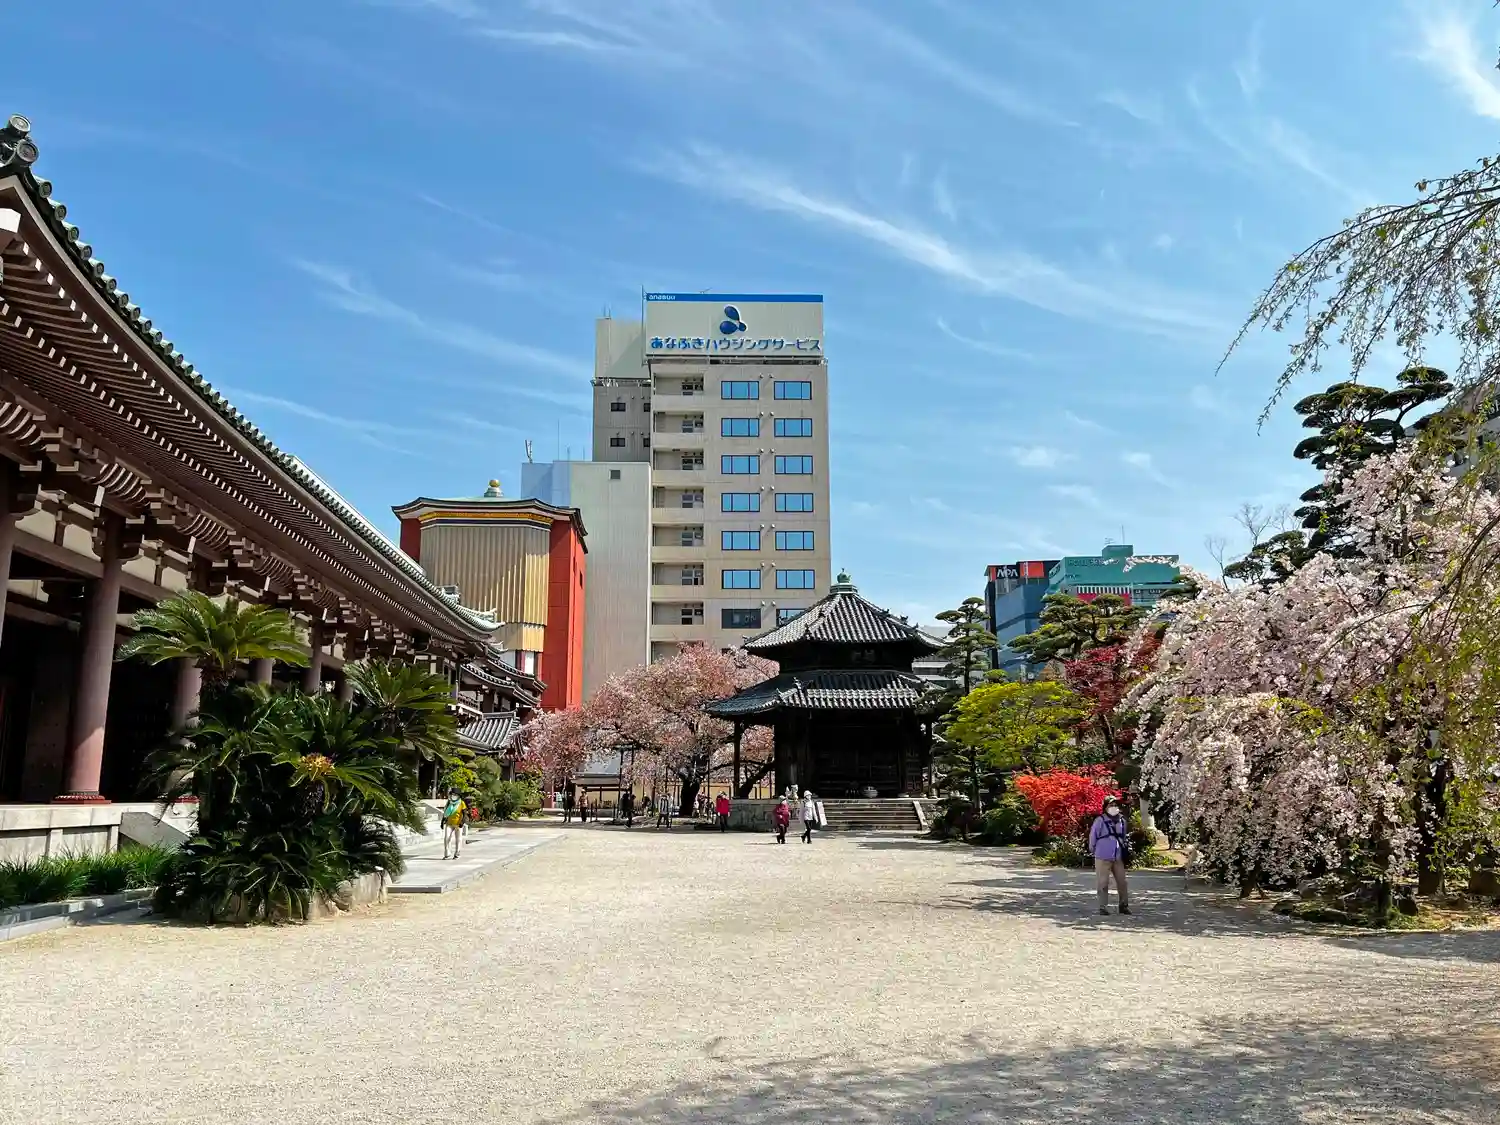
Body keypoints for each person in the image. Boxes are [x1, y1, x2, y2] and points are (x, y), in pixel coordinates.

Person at [1088, 797, 1132, 915]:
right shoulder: (1100, 820)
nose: (1113, 807)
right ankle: (1102, 907)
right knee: (1103, 882)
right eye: (1110, 805)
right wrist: (1093, 851)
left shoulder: (1122, 820)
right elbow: (1093, 837)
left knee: (1122, 882)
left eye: (1115, 805)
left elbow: (1123, 836)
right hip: (1102, 854)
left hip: (1117, 855)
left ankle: (1123, 905)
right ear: (1105, 807)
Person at [441, 789, 466, 861]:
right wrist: (442, 822)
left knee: (458, 839)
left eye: (455, 795)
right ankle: (447, 853)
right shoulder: (449, 802)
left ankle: (457, 854)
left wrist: (462, 822)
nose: (454, 796)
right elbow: (445, 813)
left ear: (459, 796)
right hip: (449, 823)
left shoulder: (461, 803)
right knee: (446, 838)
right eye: (452, 794)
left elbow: (465, 814)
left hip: (458, 824)